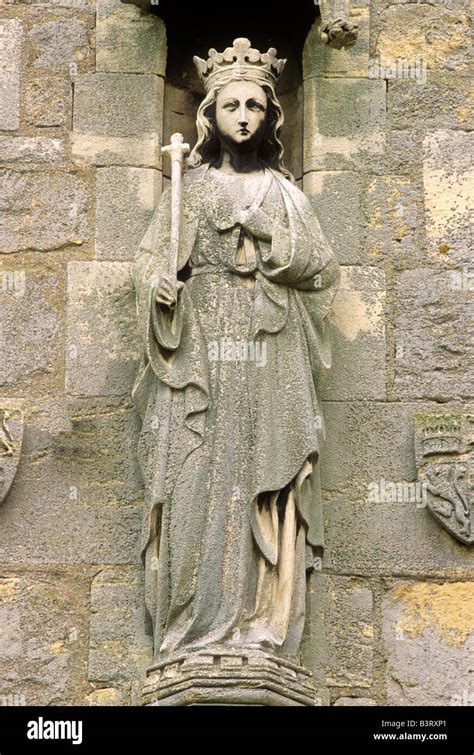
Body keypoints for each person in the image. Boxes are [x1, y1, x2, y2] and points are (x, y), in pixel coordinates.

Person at [133, 38, 340, 664]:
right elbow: (151, 264)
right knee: (198, 478)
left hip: (271, 352)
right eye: (232, 105)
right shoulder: (189, 189)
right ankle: (195, 627)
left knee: (263, 479)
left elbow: (321, 269)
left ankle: (261, 623)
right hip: (201, 351)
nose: (244, 115)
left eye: (256, 105)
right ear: (211, 115)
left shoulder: (287, 194)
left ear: (270, 116)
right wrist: (160, 287)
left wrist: (269, 237)